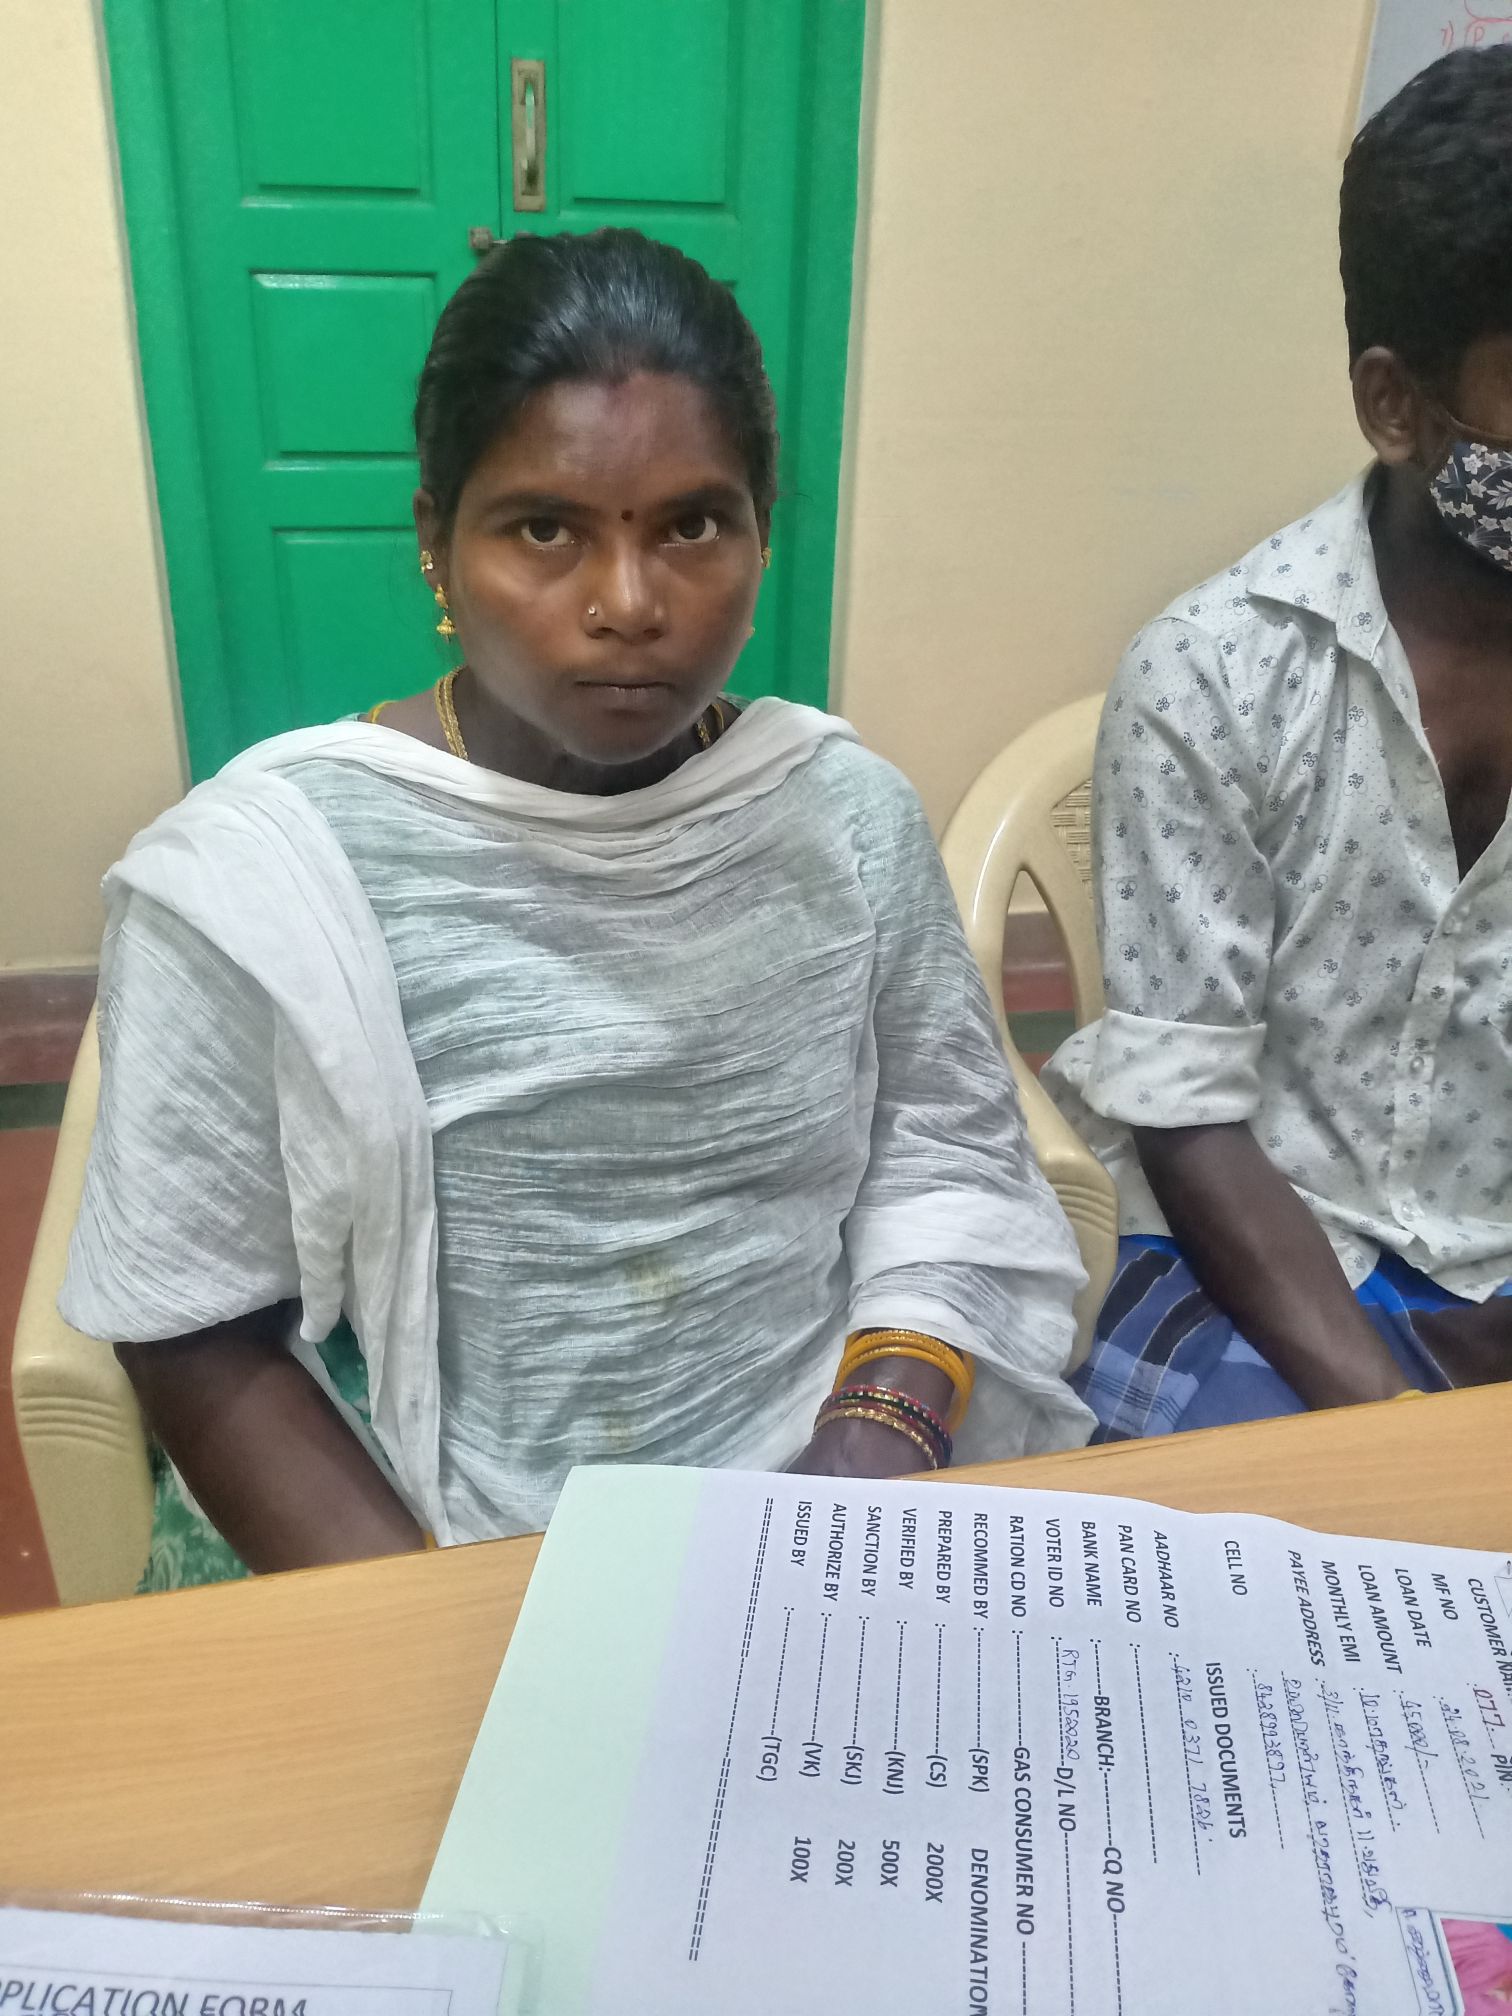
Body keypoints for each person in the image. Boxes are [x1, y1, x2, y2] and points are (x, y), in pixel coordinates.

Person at [61, 227, 1090, 1586]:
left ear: (762, 532)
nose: (628, 603)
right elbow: (194, 1324)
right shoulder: (267, 873)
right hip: (437, 1526)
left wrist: (874, 1437)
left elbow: (945, 1153)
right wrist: (453, 1631)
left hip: (819, 1487)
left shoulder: (842, 814)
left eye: (693, 525)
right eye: (545, 529)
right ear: (436, 543)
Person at [1044, 47, 1512, 1441]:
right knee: (1266, 1545)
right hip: (1257, 1249)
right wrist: (1394, 1427)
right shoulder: (1217, 675)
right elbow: (1187, 1110)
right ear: (1395, 403)